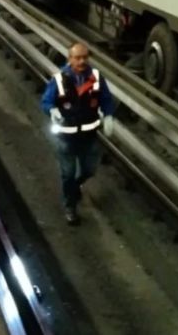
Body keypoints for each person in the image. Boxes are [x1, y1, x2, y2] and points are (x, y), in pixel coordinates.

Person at [40, 42, 115, 225]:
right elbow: (46, 101)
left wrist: (109, 116)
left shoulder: (96, 77)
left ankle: (75, 188)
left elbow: (106, 99)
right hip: (66, 137)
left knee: (89, 169)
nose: (81, 61)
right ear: (70, 59)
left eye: (84, 57)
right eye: (77, 58)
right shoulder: (59, 80)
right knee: (68, 173)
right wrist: (52, 111)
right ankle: (70, 207)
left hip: (89, 135)